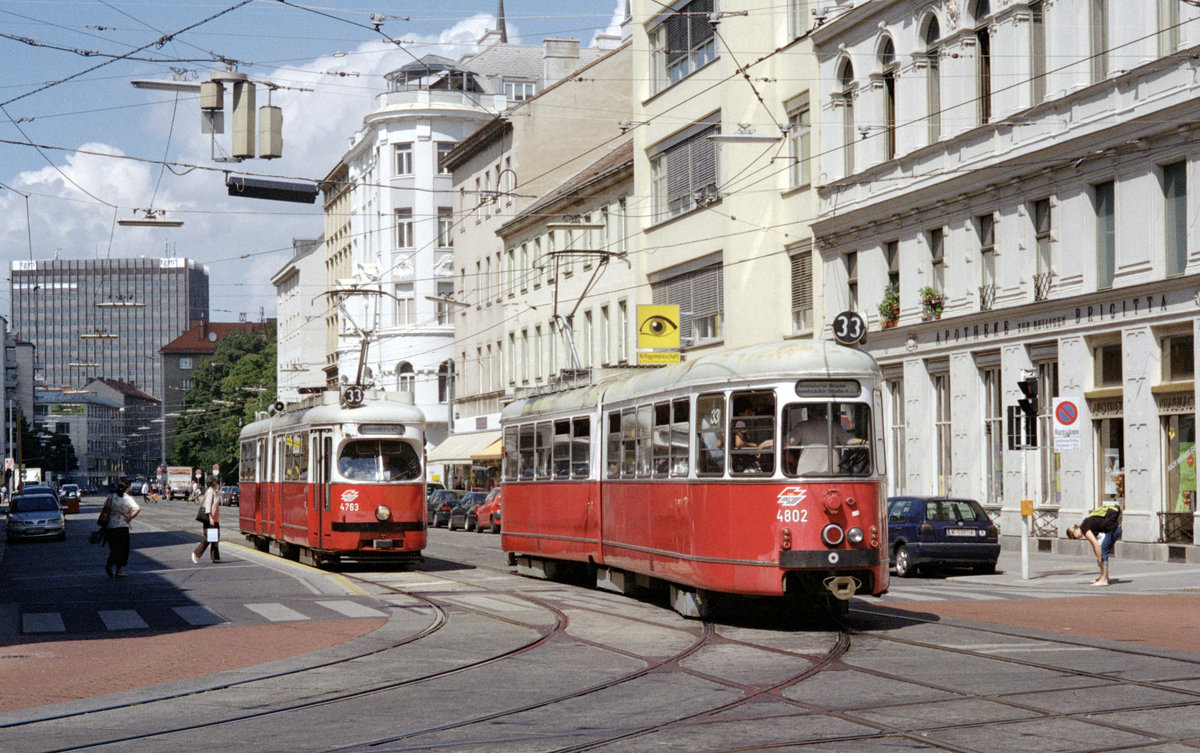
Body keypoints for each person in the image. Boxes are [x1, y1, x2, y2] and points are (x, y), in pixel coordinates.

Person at [787, 404, 865, 475]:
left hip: (807, 470)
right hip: (831, 470)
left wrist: (775, 442)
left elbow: (789, 442)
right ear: (825, 412)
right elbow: (849, 441)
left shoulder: (802, 426)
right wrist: (867, 442)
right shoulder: (834, 426)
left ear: (810, 411)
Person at [1067, 504, 1122, 586]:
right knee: (1102, 553)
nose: (1076, 539)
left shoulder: (1084, 528)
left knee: (1103, 553)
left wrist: (1099, 558)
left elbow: (1096, 544)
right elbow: (1095, 544)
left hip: (1113, 530)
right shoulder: (1086, 524)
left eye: (1074, 537)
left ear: (1074, 531)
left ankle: (1104, 580)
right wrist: (1098, 557)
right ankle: (1103, 576)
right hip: (1115, 529)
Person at [103, 481, 141, 578]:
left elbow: (105, 510)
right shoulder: (127, 498)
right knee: (123, 549)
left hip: (110, 526)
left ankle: (110, 564)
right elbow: (138, 509)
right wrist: (130, 518)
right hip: (122, 526)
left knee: (114, 548)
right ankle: (118, 570)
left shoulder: (110, 497)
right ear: (127, 489)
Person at [192, 477, 222, 564]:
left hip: (214, 518)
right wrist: (211, 518)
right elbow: (208, 506)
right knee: (208, 537)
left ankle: (215, 557)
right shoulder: (210, 492)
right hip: (210, 519)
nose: (218, 484)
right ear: (213, 484)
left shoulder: (214, 492)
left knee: (215, 537)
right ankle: (195, 553)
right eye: (217, 482)